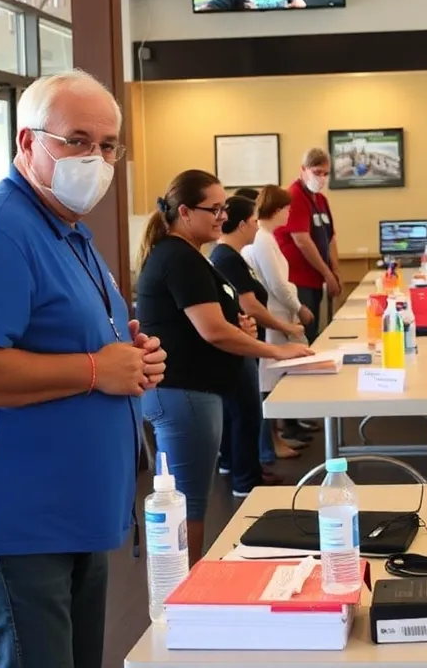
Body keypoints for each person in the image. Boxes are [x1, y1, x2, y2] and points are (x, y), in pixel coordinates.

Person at [0, 71, 167, 668]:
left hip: (75, 511)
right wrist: (93, 370)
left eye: (108, 145)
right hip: (20, 519)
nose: (96, 158)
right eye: (77, 140)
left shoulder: (66, 232)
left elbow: (85, 341)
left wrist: (133, 359)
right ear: (28, 143)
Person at [136, 170, 312, 563]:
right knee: (188, 505)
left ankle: (184, 587)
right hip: (184, 393)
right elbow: (213, 331)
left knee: (189, 501)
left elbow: (215, 320)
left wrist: (240, 323)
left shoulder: (189, 255)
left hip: (192, 392)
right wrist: (275, 351)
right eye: (214, 209)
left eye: (224, 207)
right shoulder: (180, 258)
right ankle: (181, 594)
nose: (222, 216)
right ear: (184, 211)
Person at [210, 195, 302, 494]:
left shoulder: (234, 256)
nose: (256, 226)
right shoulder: (226, 258)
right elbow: (249, 304)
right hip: (241, 346)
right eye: (252, 221)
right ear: (239, 225)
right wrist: (285, 327)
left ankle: (239, 467)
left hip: (247, 340)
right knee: (246, 412)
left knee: (241, 411)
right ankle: (246, 479)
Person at [243, 184, 317, 460]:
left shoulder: (267, 237)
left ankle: (274, 439)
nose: (290, 213)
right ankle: (269, 445)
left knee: (272, 383)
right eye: (287, 209)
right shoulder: (262, 238)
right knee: (267, 385)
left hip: (279, 314)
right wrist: (299, 308)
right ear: (276, 210)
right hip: (273, 317)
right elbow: (277, 284)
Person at [276, 147, 341, 342]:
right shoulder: (294, 196)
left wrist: (335, 271)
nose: (321, 178)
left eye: (325, 173)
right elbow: (302, 241)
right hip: (297, 280)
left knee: (315, 331)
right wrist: (327, 273)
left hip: (315, 278)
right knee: (305, 334)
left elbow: (330, 238)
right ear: (303, 169)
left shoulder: (320, 200)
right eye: (316, 172)